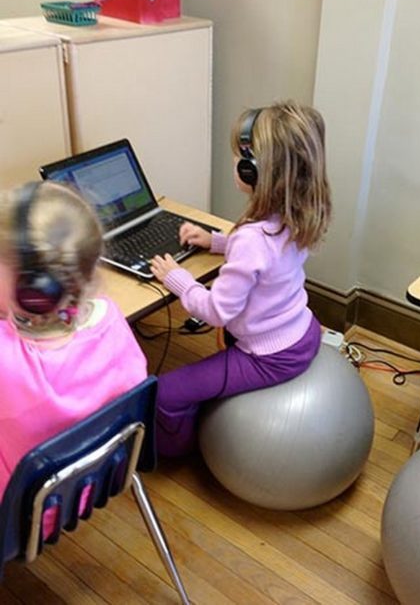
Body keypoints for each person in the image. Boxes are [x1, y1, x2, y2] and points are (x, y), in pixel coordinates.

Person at [150, 100, 332, 457]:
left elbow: (217, 312)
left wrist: (179, 279)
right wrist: (216, 241)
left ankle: (177, 455)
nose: (234, 162)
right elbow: (267, 263)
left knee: (163, 393)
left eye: (239, 157)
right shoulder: (299, 212)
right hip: (303, 332)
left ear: (252, 171)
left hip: (270, 356)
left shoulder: (251, 239)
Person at [0, 181, 147, 519]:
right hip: (93, 483)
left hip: (22, 516)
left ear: (32, 292)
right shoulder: (109, 318)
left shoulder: (10, 360)